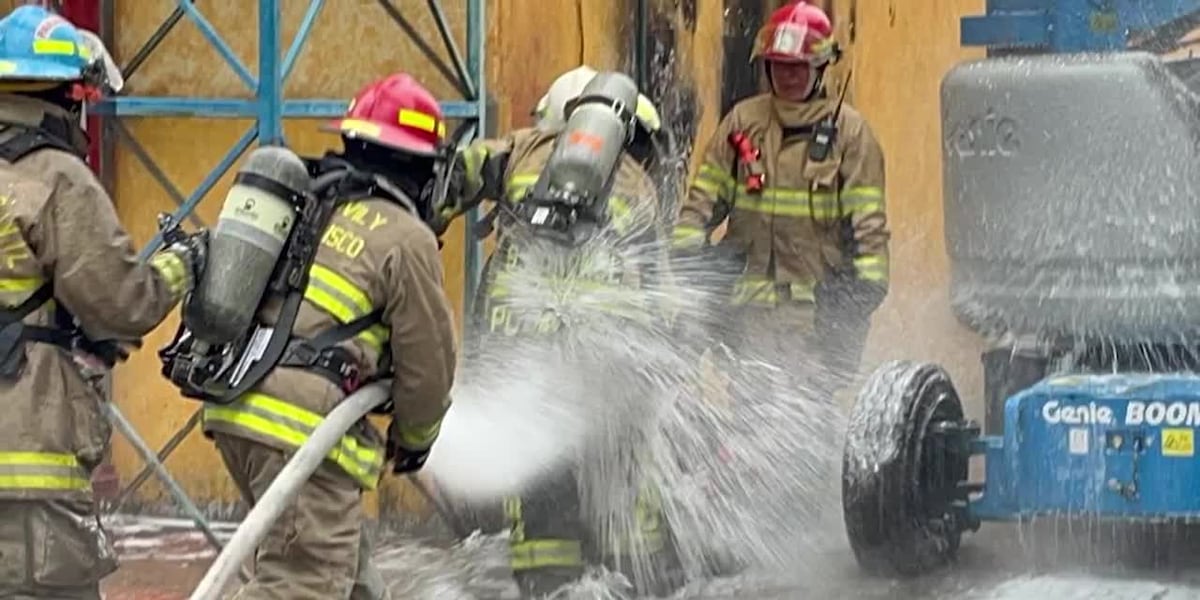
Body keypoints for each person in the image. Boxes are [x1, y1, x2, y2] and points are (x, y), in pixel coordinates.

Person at [199, 72, 459, 600]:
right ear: (422, 169)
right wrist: (413, 441)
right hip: (303, 428)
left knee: (345, 579)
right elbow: (429, 364)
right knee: (303, 585)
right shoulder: (406, 238)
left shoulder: (307, 205)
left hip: (239, 406)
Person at [434, 68, 680, 598]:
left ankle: (550, 585)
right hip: (606, 365)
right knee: (625, 481)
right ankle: (641, 579)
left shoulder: (524, 151)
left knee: (539, 484)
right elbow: (660, 298)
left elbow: (451, 178)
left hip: (525, 356)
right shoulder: (637, 183)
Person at [0, 6, 206, 599]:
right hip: (26, 475)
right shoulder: (53, 176)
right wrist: (181, 265)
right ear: (66, 96)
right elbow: (122, 303)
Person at [671, 0, 889, 401]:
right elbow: (702, 201)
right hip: (745, 319)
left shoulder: (851, 135)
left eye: (798, 66)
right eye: (779, 65)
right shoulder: (742, 123)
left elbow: (870, 232)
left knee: (804, 427)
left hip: (813, 324)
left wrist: (852, 301)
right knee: (744, 426)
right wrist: (689, 260)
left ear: (820, 68)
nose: (787, 76)